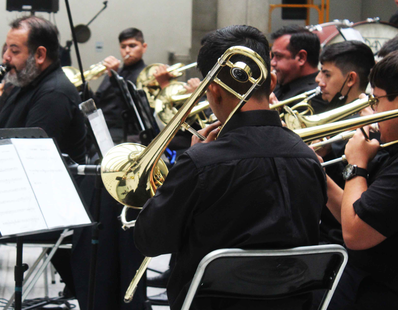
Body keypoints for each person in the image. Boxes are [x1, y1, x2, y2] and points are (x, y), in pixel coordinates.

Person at [134, 25, 327, 310]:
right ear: (271, 82)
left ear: (212, 88)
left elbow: (149, 240)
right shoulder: (308, 159)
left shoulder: (201, 163)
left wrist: (188, 165)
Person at [0, 15, 87, 310]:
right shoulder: (24, 84)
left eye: (14, 50)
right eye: (6, 49)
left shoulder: (54, 94)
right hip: (23, 196)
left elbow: (28, 168)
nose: (5, 58)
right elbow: (0, 140)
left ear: (40, 54)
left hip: (44, 207)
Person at [324, 47, 398, 310]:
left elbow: (355, 233)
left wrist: (356, 164)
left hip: (386, 292)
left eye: (376, 100)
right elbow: (360, 213)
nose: (373, 111)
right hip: (370, 278)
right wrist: (318, 176)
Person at [314, 41, 375, 245]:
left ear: (350, 79)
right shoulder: (334, 111)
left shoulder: (364, 128)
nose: (318, 80)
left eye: (327, 74)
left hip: (336, 234)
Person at [270, 25, 328, 113]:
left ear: (301, 58)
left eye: (278, 56)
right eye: (272, 56)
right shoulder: (282, 83)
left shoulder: (315, 95)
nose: (272, 63)